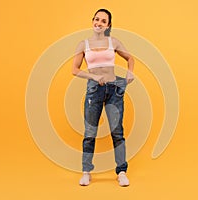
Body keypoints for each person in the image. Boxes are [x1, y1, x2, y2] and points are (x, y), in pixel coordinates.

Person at [72, 8, 134, 187]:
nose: (98, 23)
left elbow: (131, 59)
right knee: (90, 132)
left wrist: (130, 73)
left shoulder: (113, 42)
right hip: (94, 90)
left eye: (103, 21)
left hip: (114, 90)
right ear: (93, 21)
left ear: (108, 25)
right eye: (96, 19)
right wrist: (93, 77)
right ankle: (86, 171)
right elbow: (74, 70)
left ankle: (121, 171)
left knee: (117, 132)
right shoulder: (83, 45)